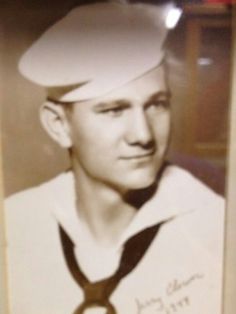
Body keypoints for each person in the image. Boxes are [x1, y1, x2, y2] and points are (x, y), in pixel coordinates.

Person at [4, 2, 224, 314]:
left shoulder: (215, 229)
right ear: (59, 125)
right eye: (114, 110)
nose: (143, 135)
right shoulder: (15, 226)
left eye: (156, 104)